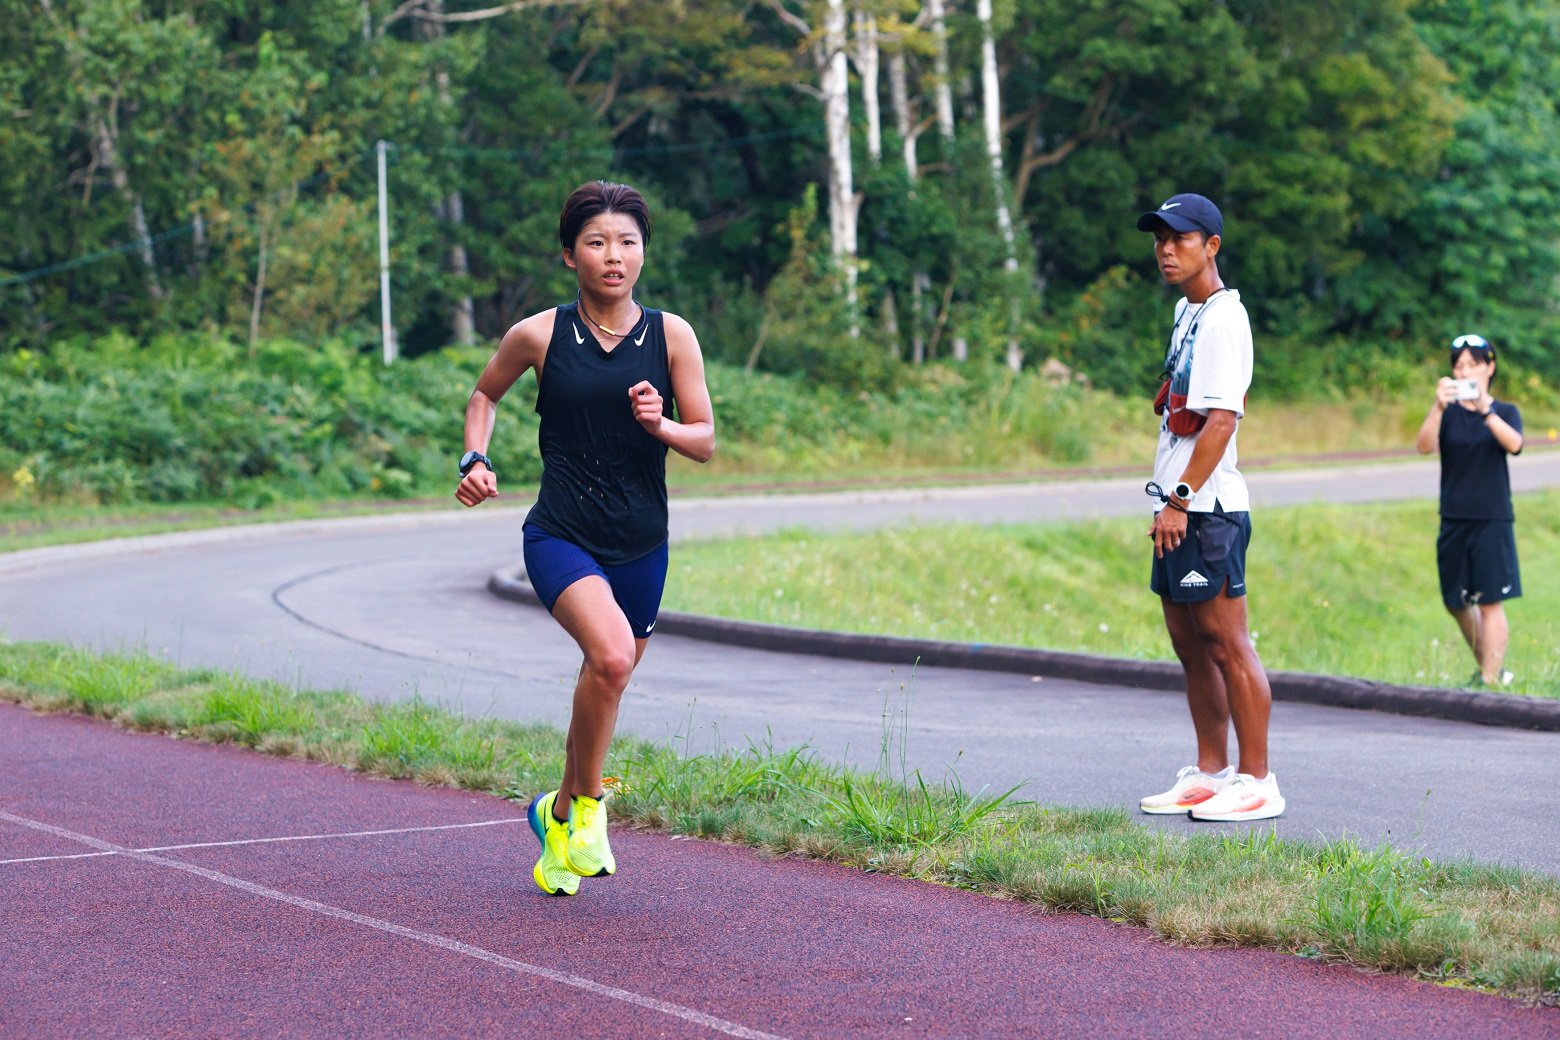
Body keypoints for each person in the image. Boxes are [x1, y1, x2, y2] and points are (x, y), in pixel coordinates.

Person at [455, 180, 716, 896]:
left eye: (627, 242)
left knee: (606, 681)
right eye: (597, 242)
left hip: (642, 541)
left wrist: (661, 426)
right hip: (560, 533)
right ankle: (594, 808)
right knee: (607, 658)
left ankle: (556, 812)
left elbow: (705, 440)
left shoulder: (672, 336)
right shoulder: (539, 334)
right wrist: (474, 458)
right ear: (570, 254)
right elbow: (484, 396)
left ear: (643, 253)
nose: (614, 256)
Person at [1134, 193, 1284, 822]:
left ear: (1212, 246)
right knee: (1189, 646)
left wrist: (1180, 499)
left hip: (1206, 507)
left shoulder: (1225, 318)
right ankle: (1209, 773)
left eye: (1181, 239)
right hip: (1178, 504)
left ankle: (1256, 781)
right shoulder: (1186, 312)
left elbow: (1222, 421)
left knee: (1228, 643)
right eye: (1160, 239)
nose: (1167, 250)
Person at [1414, 334, 1524, 687]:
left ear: (1490, 367)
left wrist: (1485, 410)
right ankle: (1491, 670)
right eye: (1458, 366)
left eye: (1473, 365)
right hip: (1453, 516)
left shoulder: (1504, 411)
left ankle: (1489, 682)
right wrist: (1438, 407)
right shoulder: (1447, 414)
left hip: (1492, 516)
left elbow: (1515, 444)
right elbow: (1423, 447)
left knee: (1491, 601)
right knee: (1455, 600)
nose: (1465, 372)